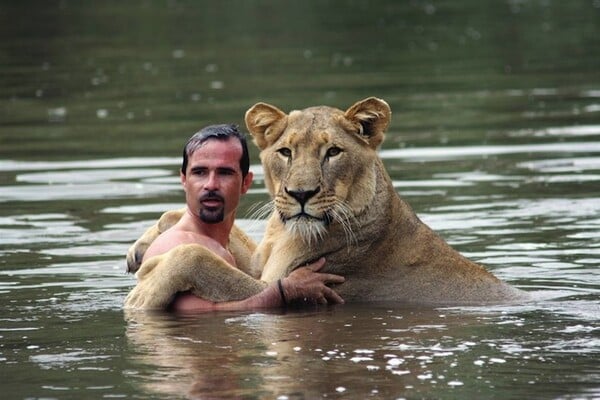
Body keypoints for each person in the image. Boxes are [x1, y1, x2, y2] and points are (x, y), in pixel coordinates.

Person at [141, 124, 345, 312]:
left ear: (246, 183)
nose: (211, 184)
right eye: (200, 172)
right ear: (184, 180)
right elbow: (201, 318)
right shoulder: (172, 247)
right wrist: (285, 291)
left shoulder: (232, 246)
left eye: (224, 173)